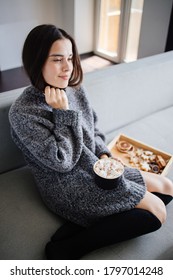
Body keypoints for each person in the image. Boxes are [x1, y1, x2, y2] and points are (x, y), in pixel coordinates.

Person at [9, 24, 173, 259]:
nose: (68, 68)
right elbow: (61, 162)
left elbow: (93, 129)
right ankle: (70, 248)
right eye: (57, 60)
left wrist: (105, 157)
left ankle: (91, 222)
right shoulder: (23, 113)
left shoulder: (73, 89)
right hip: (68, 185)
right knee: (157, 214)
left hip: (97, 170)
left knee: (167, 187)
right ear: (37, 62)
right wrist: (62, 113)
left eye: (70, 58)